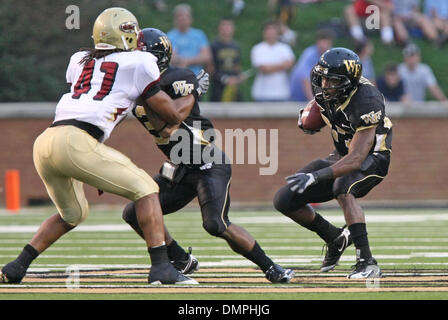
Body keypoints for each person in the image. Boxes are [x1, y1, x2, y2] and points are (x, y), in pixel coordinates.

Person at [0, 8, 208, 285]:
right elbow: (171, 114)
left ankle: (16, 267)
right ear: (125, 35)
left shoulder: (80, 59)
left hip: (48, 141)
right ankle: (161, 268)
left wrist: (93, 160)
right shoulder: (140, 61)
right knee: (147, 190)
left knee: (72, 214)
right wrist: (193, 92)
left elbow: (93, 103)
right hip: (77, 142)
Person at [123, 27, 295, 283]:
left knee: (215, 224)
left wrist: (191, 92)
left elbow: (171, 125)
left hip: (207, 163)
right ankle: (180, 258)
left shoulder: (175, 78)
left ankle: (271, 267)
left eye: (139, 55)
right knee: (134, 212)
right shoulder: (136, 86)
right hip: (180, 167)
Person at [274, 47, 393, 279]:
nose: (324, 84)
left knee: (343, 188)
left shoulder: (367, 99)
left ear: (348, 83)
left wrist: (315, 176)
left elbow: (357, 157)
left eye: (332, 80)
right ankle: (335, 238)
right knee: (285, 199)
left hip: (373, 157)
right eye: (323, 77)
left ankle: (367, 262)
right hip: (341, 154)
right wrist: (311, 119)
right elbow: (323, 109)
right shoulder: (325, 90)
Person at [251, 21, 295, 102]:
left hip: (282, 93)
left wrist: (271, 67)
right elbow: (264, 69)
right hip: (262, 94)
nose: (271, 32)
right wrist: (282, 65)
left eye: (273, 29)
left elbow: (290, 64)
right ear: (264, 32)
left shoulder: (285, 48)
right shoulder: (257, 49)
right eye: (268, 30)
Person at [290, 28, 334, 102]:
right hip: (299, 97)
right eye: (322, 42)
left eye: (327, 43)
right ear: (317, 42)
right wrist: (313, 102)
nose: (324, 45)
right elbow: (305, 79)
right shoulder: (309, 54)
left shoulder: (335, 55)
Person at [167, 4, 212, 75]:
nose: (182, 19)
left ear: (191, 19)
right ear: (175, 19)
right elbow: (170, 57)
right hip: (176, 77)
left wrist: (188, 61)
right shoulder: (170, 36)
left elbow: (206, 56)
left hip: (196, 77)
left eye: (185, 17)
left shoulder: (199, 35)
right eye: (180, 17)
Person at [209, 18, 246, 102]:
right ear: (219, 28)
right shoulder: (214, 46)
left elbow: (237, 66)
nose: (226, 29)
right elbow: (210, 68)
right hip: (218, 87)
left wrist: (239, 76)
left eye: (229, 26)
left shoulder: (236, 46)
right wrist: (225, 79)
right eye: (224, 26)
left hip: (233, 87)